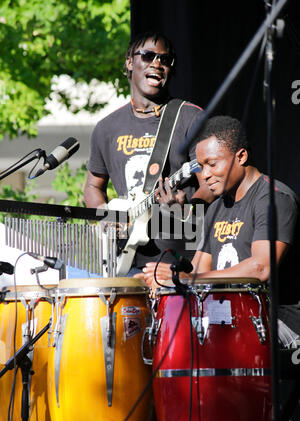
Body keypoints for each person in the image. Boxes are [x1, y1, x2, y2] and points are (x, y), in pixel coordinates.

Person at [138, 115, 300, 345]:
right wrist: (157, 280)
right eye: (201, 167)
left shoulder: (273, 198)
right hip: (229, 317)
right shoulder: (216, 208)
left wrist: (186, 279)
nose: (204, 175)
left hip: (277, 323)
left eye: (212, 164)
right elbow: (198, 270)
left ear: (241, 156)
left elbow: (261, 267)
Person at [84, 31, 215, 276]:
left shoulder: (190, 117)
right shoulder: (106, 128)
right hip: (125, 256)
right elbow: (92, 186)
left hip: (179, 253)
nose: (157, 64)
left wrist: (188, 208)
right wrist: (106, 217)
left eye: (165, 60)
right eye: (148, 56)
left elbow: (211, 181)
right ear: (129, 62)